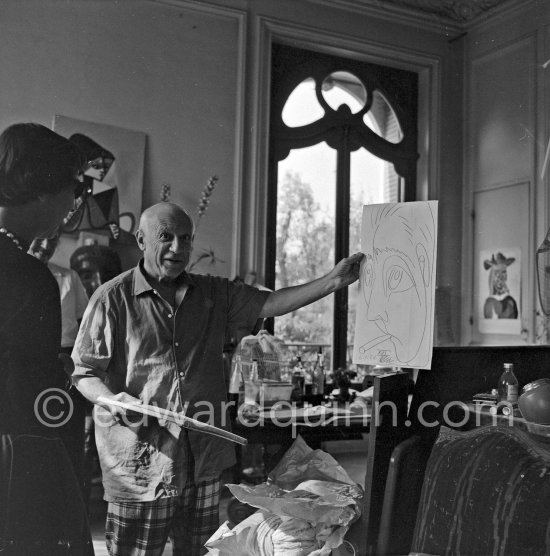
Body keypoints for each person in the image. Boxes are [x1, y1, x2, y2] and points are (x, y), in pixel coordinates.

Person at [72, 201, 363, 556]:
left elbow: (271, 302)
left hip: (203, 462)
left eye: (186, 239)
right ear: (141, 240)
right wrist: (116, 401)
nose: (178, 248)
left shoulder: (213, 293)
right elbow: (85, 373)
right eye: (166, 237)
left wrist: (334, 281)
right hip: (142, 465)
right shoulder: (111, 299)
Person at [0, 122, 93, 554]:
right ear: (40, 190)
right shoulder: (30, 276)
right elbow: (39, 395)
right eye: (70, 192)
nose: (71, 208)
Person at [28, 230, 90, 495]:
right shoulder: (13, 273)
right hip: (28, 362)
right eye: (40, 238)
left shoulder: (68, 277)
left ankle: (70, 500)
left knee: (67, 435)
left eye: (52, 241)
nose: (45, 244)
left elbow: (85, 323)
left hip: (66, 362)